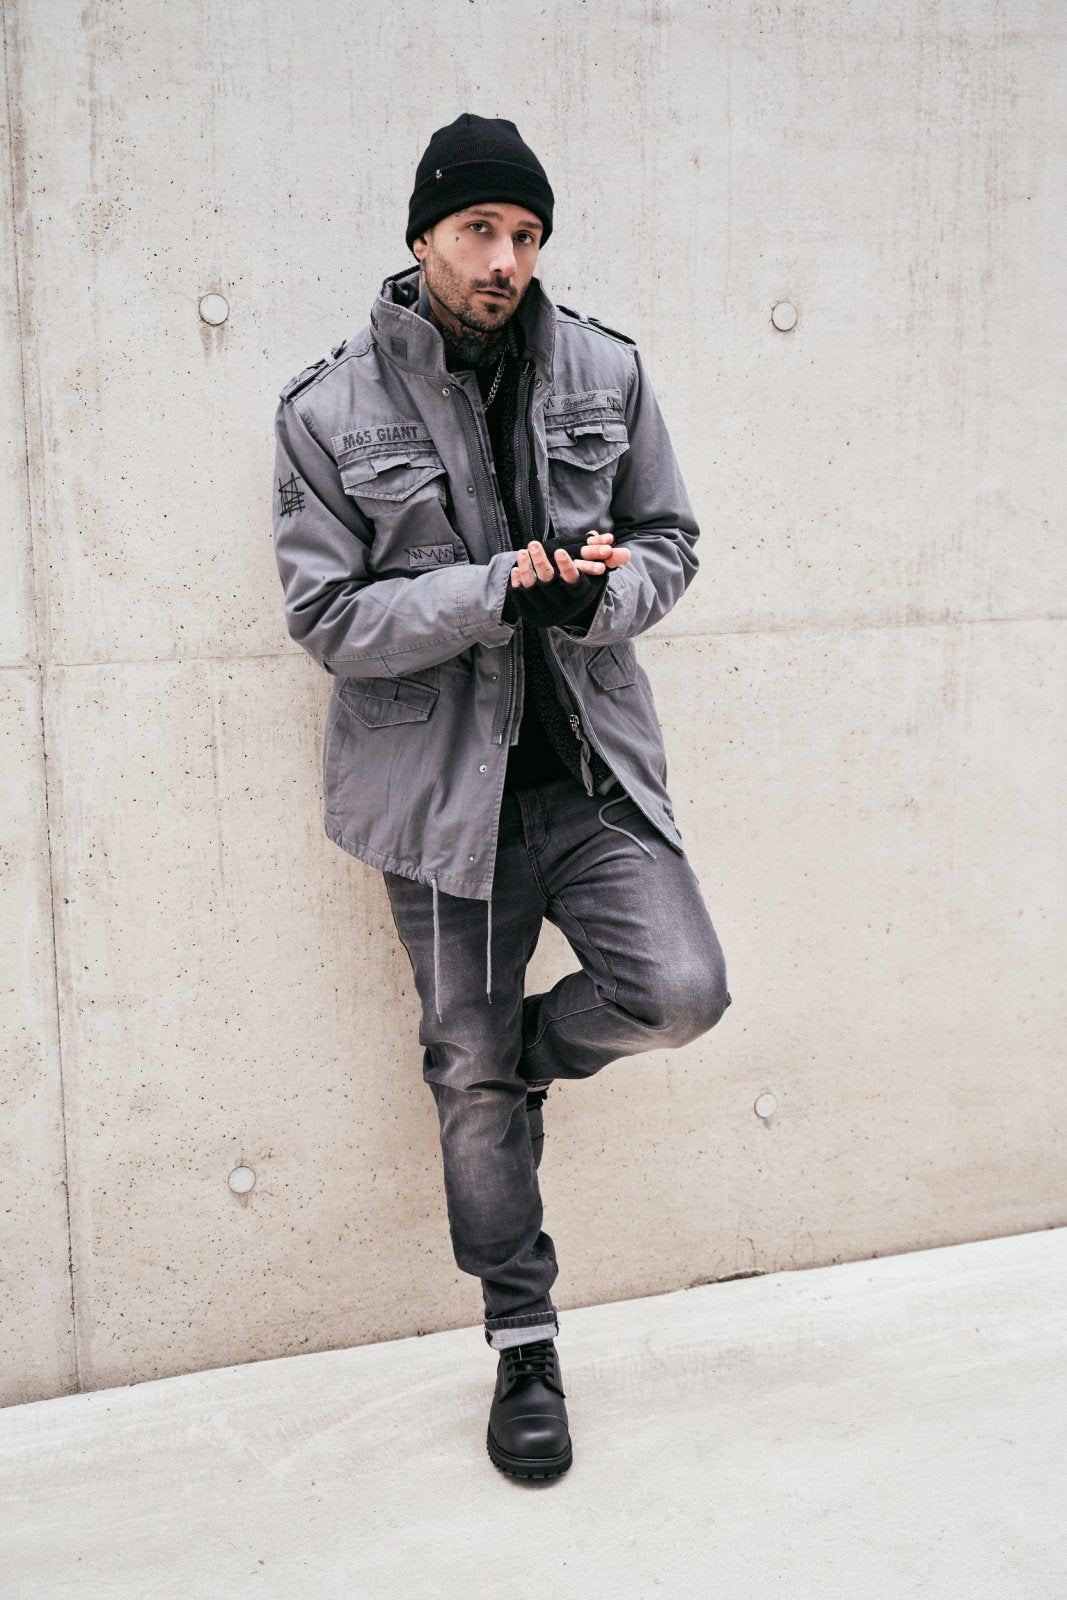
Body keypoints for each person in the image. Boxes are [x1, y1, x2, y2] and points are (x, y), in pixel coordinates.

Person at [272, 112, 731, 1481]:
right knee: (459, 1071)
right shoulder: (326, 410)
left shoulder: (606, 367)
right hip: (438, 814)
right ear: (423, 235)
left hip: (587, 780)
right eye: (481, 230)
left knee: (680, 990)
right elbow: (329, 618)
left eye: (527, 235)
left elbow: (671, 542)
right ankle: (522, 1344)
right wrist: (496, 590)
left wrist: (607, 595)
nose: (507, 259)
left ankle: (511, 1066)